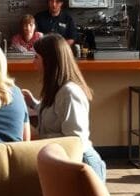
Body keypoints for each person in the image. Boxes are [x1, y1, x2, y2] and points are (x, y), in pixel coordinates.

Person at [21, 34, 106, 180]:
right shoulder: (57, 89)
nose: (33, 62)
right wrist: (33, 103)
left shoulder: (69, 92)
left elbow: (75, 140)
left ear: (49, 61)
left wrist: (39, 140)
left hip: (81, 164)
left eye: (37, 57)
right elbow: (55, 113)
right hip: (67, 161)